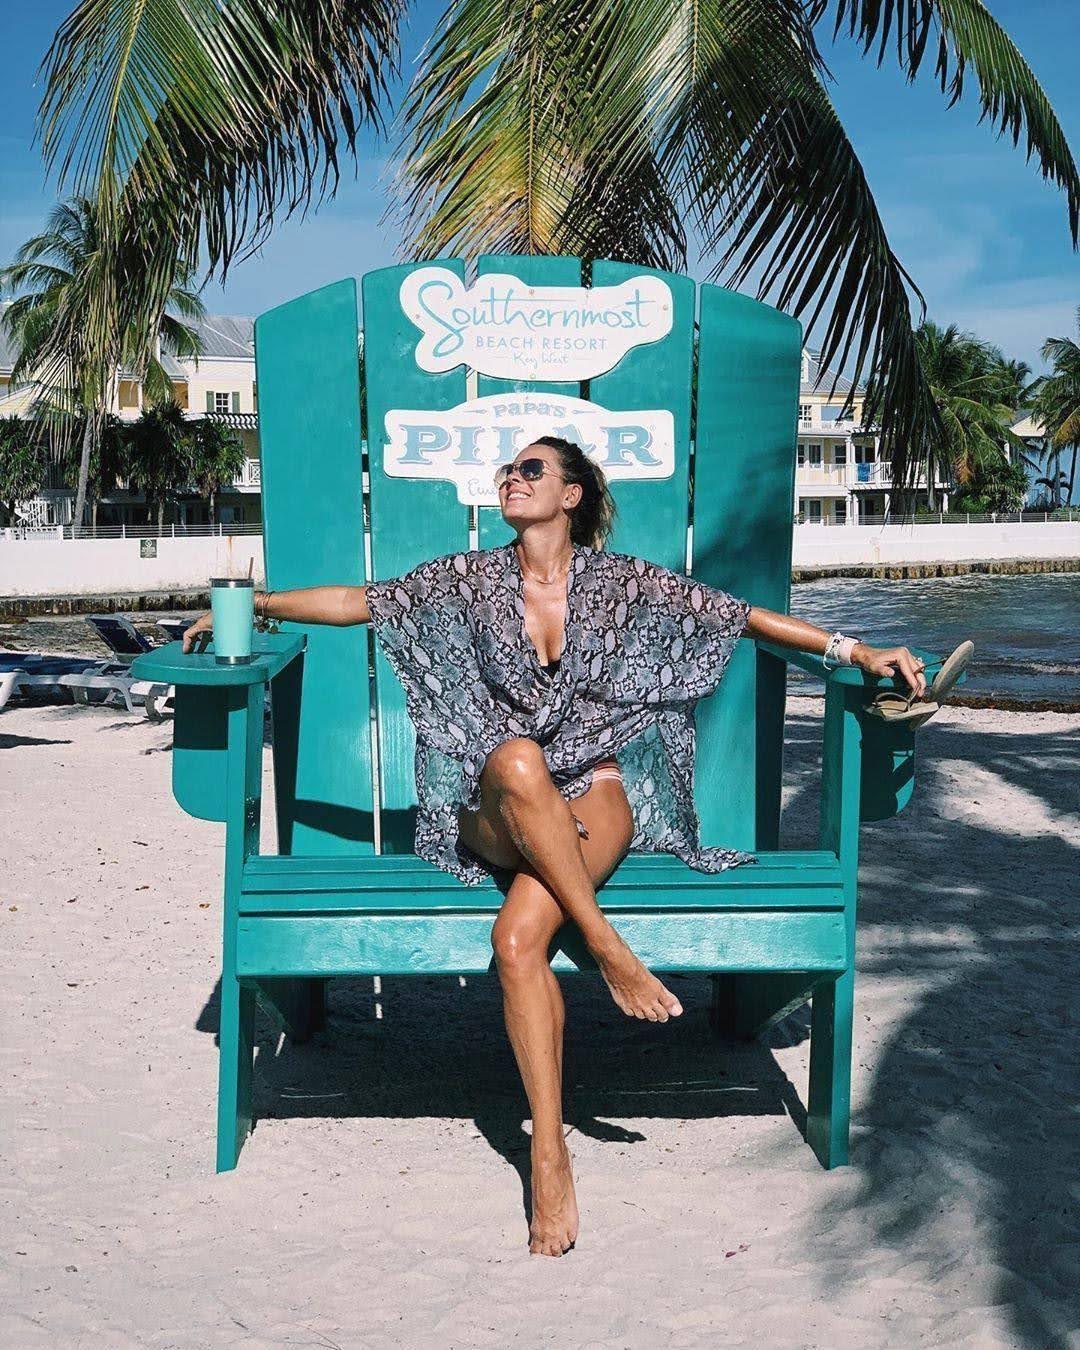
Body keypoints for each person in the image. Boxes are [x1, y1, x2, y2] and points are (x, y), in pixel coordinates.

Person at [183, 436, 928, 1257]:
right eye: (507, 469)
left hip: (596, 799)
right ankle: (607, 945)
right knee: (515, 756)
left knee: (514, 940)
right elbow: (364, 602)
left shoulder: (621, 583)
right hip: (499, 808)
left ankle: (548, 1149)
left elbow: (738, 617)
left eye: (532, 469)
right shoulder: (471, 579)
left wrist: (856, 652)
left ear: (572, 495)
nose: (512, 476)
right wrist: (257, 607)